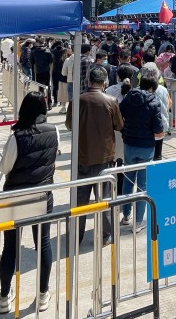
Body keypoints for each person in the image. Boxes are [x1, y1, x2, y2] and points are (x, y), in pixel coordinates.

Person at [0, 93, 58, 315]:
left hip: (15, 196)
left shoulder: (17, 137)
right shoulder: (54, 131)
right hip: (42, 194)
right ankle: (43, 294)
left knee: (10, 246)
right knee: (42, 243)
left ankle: (4, 297)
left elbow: (4, 168)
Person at [66, 66, 124, 246]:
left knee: (80, 199)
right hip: (104, 157)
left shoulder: (77, 100)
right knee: (104, 198)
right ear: (105, 82)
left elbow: (69, 125)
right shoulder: (111, 100)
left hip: (81, 156)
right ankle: (105, 235)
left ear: (88, 81)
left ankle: (76, 235)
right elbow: (119, 125)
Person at [118, 76, 166, 231]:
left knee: (128, 180)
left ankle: (125, 216)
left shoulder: (129, 97)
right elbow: (158, 128)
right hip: (146, 146)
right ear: (153, 88)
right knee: (142, 185)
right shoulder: (154, 102)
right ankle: (138, 222)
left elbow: (120, 114)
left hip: (129, 143)